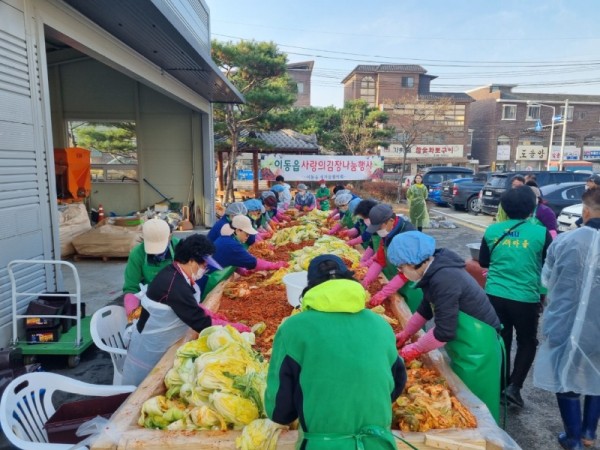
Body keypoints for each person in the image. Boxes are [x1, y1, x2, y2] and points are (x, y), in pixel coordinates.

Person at [265, 254, 406, 449]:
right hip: (379, 443)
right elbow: (397, 382)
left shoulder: (293, 328)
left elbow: (281, 412)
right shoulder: (380, 325)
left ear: (311, 288)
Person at [389, 231, 503, 422]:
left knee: (477, 410)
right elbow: (426, 308)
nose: (401, 272)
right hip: (465, 345)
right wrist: (406, 333)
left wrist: (410, 351)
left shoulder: (445, 278)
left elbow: (444, 332)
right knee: (463, 398)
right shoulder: (433, 270)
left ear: (414, 261)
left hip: (479, 350)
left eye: (401, 267)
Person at [121, 234, 250, 386]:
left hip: (160, 342)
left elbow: (191, 306)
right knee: (140, 389)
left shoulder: (176, 273)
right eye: (203, 265)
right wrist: (235, 328)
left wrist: (211, 314)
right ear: (190, 261)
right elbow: (201, 322)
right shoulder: (174, 286)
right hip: (149, 352)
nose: (204, 269)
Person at [533, 188, 600, 450]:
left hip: (565, 321)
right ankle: (588, 433)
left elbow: (546, 279)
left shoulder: (565, 241)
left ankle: (573, 439)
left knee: (565, 374)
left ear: (584, 212)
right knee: (596, 372)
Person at [479, 186, 552, 408]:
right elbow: (549, 266)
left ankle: (500, 385)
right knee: (527, 341)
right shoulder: (541, 233)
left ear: (504, 208)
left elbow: (483, 262)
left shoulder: (492, 231)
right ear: (532, 207)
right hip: (526, 298)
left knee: (502, 339)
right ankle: (514, 388)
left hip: (495, 295)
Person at [199, 215, 288, 294]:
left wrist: (242, 271)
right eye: (246, 234)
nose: (248, 237)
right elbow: (253, 262)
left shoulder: (227, 239)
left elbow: (229, 259)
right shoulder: (231, 245)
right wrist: (274, 265)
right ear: (238, 231)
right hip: (206, 283)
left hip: (209, 278)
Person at [123, 218, 180, 318]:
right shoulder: (137, 254)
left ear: (170, 236)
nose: (157, 252)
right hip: (150, 302)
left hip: (178, 298)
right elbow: (131, 288)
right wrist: (132, 316)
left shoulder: (179, 248)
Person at [361, 204, 415, 288]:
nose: (378, 231)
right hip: (393, 278)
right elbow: (380, 259)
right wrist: (367, 278)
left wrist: (385, 292)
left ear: (391, 221)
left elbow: (410, 269)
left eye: (379, 228)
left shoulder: (408, 235)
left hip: (410, 283)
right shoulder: (388, 231)